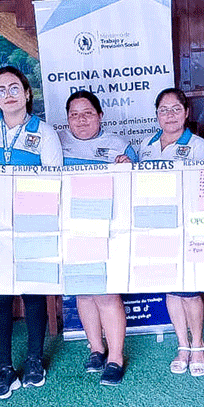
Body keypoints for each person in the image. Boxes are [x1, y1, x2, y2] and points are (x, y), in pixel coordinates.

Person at [0, 66, 63, 399]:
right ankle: (4, 368)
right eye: (1, 90)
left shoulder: (45, 133)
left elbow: (54, 181)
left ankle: (35, 359)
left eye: (14, 88)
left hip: (31, 225)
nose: (8, 95)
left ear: (27, 93)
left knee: (33, 293)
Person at [58, 90, 136, 386]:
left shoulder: (119, 145)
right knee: (83, 291)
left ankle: (115, 357)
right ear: (67, 119)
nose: (81, 120)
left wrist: (127, 166)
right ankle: (96, 349)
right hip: (71, 227)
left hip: (108, 228)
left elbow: (135, 185)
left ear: (100, 116)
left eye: (88, 113)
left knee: (106, 293)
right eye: (74, 115)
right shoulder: (57, 143)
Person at [139, 87, 204, 376]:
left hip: (188, 225)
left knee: (189, 289)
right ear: (156, 115)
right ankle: (182, 345)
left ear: (186, 112)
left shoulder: (198, 146)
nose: (169, 115)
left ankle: (198, 345)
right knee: (171, 287)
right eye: (163, 110)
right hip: (157, 226)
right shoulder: (146, 145)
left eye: (175, 109)